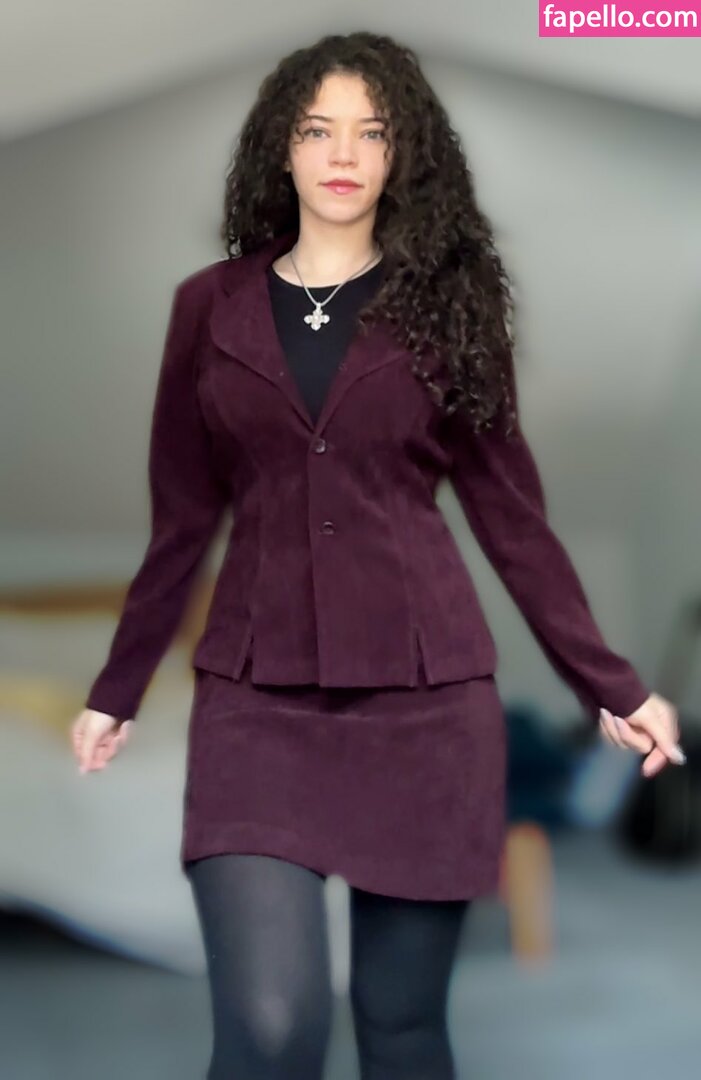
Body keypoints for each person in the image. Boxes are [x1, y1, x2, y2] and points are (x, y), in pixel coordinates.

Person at [70, 31, 685, 1080]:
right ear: (282, 148)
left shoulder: (451, 307)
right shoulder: (207, 307)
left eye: (370, 131)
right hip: (255, 703)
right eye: (318, 131)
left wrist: (609, 682)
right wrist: (116, 689)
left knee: (400, 1028)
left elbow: (509, 516)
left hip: (423, 707)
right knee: (271, 1028)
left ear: (404, 152)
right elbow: (182, 517)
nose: (343, 154)